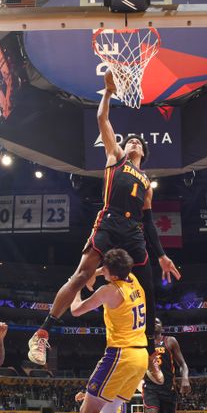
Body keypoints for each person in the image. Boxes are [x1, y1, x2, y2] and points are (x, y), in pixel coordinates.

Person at [28, 70, 181, 368]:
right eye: (131, 140)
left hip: (134, 232)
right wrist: (108, 93)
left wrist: (161, 256)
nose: (134, 142)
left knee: (147, 288)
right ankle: (43, 333)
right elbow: (103, 121)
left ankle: (149, 353)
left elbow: (149, 223)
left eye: (138, 142)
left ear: (144, 152)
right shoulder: (116, 157)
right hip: (109, 221)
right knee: (82, 276)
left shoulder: (147, 183)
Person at [71, 248, 155, 413]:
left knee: (88, 411)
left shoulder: (109, 290)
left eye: (103, 268)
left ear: (110, 272)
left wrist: (76, 284)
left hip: (120, 354)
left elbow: (76, 310)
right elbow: (113, 269)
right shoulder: (133, 280)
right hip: (140, 355)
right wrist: (96, 273)